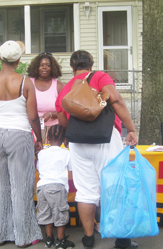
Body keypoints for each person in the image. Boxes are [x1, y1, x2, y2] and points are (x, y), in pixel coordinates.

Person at [55, 50, 139, 249]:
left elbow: (61, 115)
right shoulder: (99, 77)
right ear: (91, 65)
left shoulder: (67, 87)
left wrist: (72, 134)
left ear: (72, 67)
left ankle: (88, 237)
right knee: (114, 186)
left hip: (78, 143)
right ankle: (121, 239)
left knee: (85, 191)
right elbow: (116, 99)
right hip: (105, 140)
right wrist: (131, 128)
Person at [0, 40, 43, 248]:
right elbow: (32, 117)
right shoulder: (25, 83)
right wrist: (38, 139)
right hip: (19, 134)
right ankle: (23, 236)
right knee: (21, 186)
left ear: (0, 58)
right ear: (18, 60)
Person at [35, 125, 75, 249]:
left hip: (42, 187)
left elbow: (39, 168)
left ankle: (49, 238)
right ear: (64, 139)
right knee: (59, 213)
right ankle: (60, 240)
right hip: (57, 187)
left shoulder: (42, 153)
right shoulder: (66, 153)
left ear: (47, 137)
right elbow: (71, 168)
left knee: (46, 213)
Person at [27, 52, 64, 143]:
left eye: (48, 65)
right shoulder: (28, 83)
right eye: (41, 65)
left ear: (53, 68)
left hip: (54, 131)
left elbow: (64, 111)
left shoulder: (58, 86)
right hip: (31, 128)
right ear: (36, 67)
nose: (44, 67)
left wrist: (51, 114)